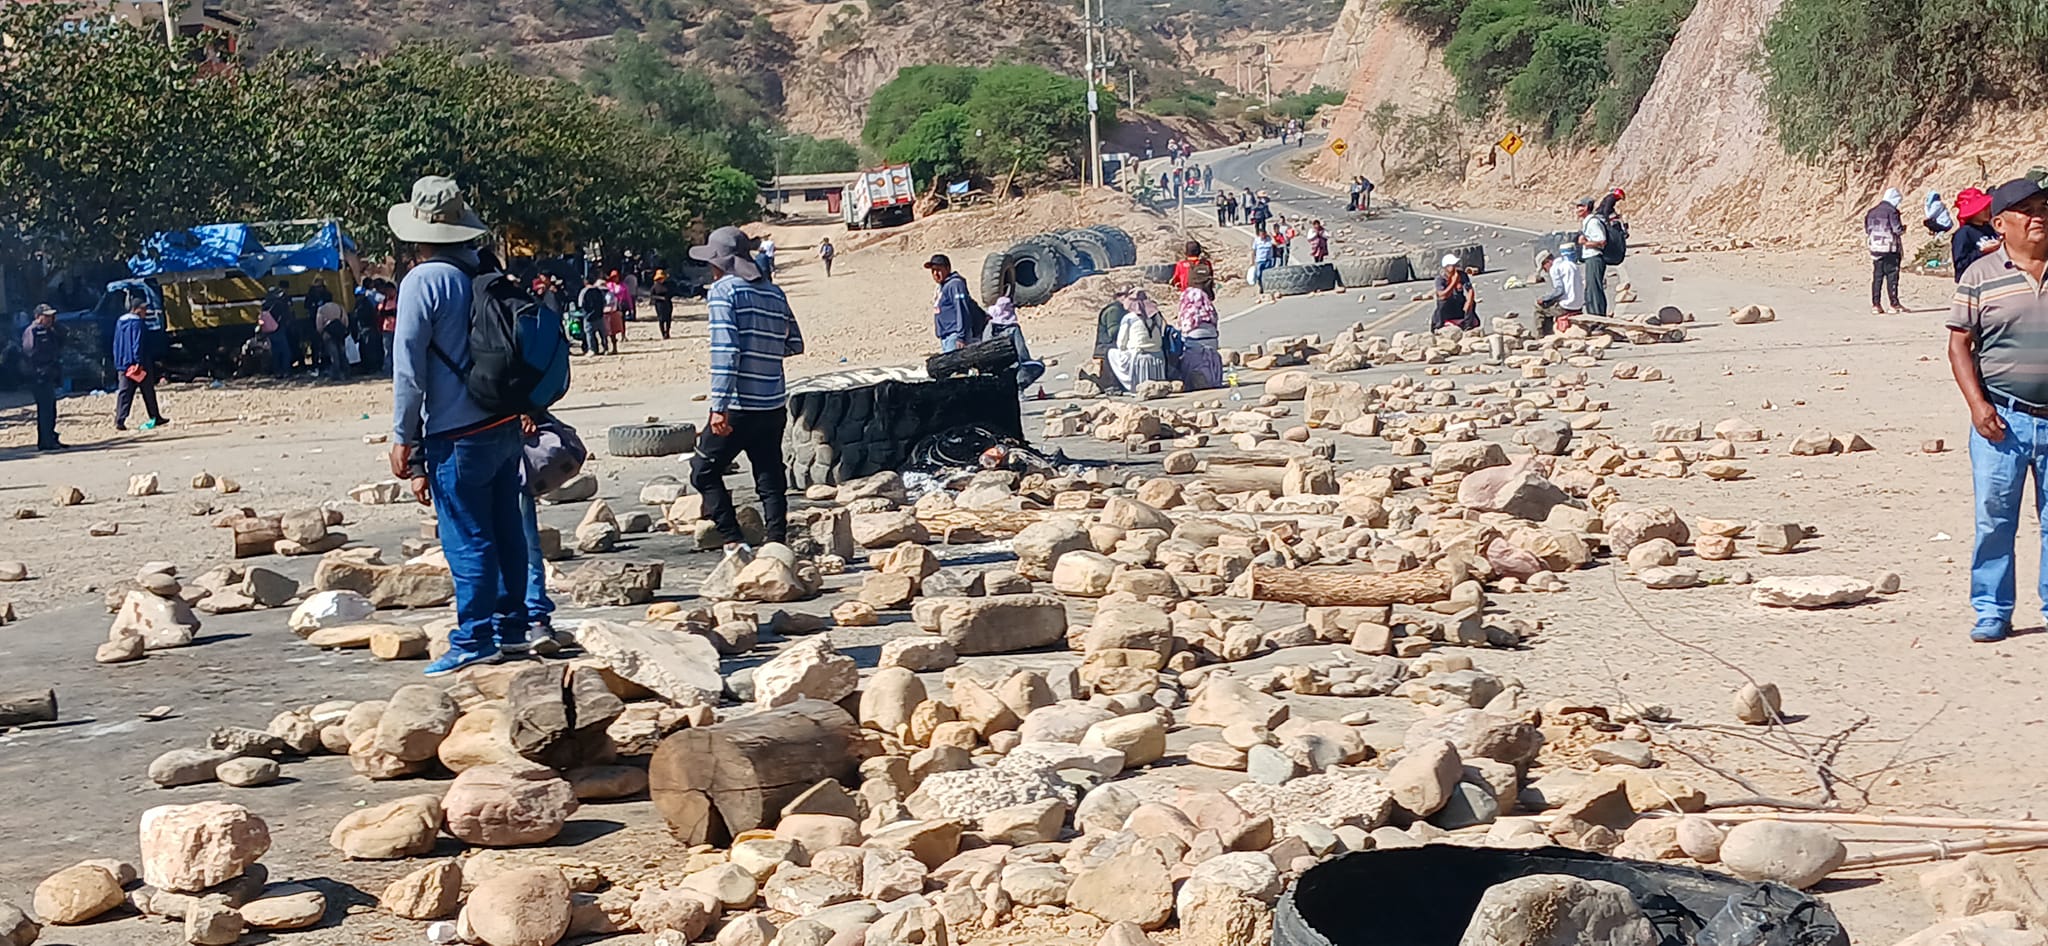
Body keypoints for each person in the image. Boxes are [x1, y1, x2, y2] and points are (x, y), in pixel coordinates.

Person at [386, 175, 531, 675]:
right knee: (507, 528)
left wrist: (403, 436)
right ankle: (515, 628)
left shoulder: (423, 281)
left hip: (456, 433)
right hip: (503, 423)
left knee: (467, 536)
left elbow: (408, 368)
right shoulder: (482, 270)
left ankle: (474, 637)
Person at [1946, 177, 2048, 643]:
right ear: (2000, 224)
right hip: (2002, 421)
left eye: (2043, 206)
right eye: (2025, 210)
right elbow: (1959, 345)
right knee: (1994, 519)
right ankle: (1992, 609)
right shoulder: (1979, 277)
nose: (2038, 216)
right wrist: (1977, 405)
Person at [691, 226, 805, 555]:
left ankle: (732, 540)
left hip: (739, 404)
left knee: (704, 471)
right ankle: (776, 543)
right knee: (769, 474)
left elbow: (726, 352)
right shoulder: (775, 293)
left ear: (719, 262)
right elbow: (794, 343)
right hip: (772, 402)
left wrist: (719, 406)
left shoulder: (723, 292)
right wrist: (764, 349)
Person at [113, 294, 168, 430]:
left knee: (125, 392)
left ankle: (120, 420)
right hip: (139, 364)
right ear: (136, 309)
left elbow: (116, 344)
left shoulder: (120, 323)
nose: (145, 312)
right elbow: (137, 343)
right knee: (148, 390)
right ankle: (155, 417)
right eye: (143, 309)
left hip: (123, 364)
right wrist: (138, 361)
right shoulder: (137, 323)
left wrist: (118, 362)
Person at [22, 304, 65, 450]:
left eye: (51, 316)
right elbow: (29, 352)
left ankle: (50, 438)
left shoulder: (50, 331)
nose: (50, 319)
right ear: (38, 317)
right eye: (46, 316)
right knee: (45, 410)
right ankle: (45, 441)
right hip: (38, 376)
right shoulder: (32, 331)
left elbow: (63, 339)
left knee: (51, 409)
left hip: (49, 374)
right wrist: (42, 366)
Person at [1108, 289, 1166, 391]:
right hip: (1158, 357)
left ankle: (1130, 386)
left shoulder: (1129, 318)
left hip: (1139, 357)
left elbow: (1121, 344)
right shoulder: (1157, 316)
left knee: (1112, 353)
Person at [927, 254, 987, 352]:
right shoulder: (942, 287)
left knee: (955, 367)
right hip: (946, 337)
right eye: (933, 271)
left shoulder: (955, 285)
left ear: (947, 268)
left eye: (939, 270)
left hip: (954, 336)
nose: (935, 273)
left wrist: (961, 337)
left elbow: (962, 309)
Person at [1865, 187, 1907, 314]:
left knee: (1877, 276)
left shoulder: (1871, 212)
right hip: (1890, 248)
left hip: (1875, 248)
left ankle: (1876, 304)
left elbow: (1867, 229)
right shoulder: (1892, 211)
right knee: (1892, 276)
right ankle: (1894, 304)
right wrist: (1903, 228)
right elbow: (1896, 229)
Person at [1175, 285, 1223, 390]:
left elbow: (1184, 331)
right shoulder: (1209, 310)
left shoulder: (1187, 311)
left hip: (1194, 345)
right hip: (1212, 342)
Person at [1952, 187, 2000, 284]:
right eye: (1983, 209)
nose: (1988, 211)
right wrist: (1982, 251)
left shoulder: (1989, 228)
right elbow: (1960, 265)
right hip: (1974, 282)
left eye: (1988, 207)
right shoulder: (1963, 234)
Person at [1534, 244, 1584, 336]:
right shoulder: (1571, 264)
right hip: (1579, 304)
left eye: (1544, 268)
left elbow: (1559, 291)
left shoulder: (1555, 268)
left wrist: (1545, 299)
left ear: (1547, 262)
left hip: (1567, 306)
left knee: (1539, 308)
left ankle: (1542, 335)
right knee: (1549, 305)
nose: (1546, 271)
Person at [1575, 197, 1611, 319]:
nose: (1577, 209)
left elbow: (1602, 241)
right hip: (1590, 258)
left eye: (1580, 207)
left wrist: (1585, 243)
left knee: (1595, 290)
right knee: (1590, 289)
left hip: (1595, 258)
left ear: (1586, 208)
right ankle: (1593, 317)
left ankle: (1598, 318)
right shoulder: (1587, 222)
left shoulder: (1593, 222)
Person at [1432, 255, 1478, 331]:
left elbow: (1469, 289)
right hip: (1448, 307)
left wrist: (1469, 302)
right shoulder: (1440, 279)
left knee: (1471, 302)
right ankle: (1439, 326)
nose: (1455, 267)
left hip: (1459, 304)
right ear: (1446, 267)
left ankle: (1467, 325)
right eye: (1452, 265)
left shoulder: (1462, 275)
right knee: (1442, 302)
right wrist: (1454, 282)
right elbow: (1442, 295)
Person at [259, 286, 293, 378]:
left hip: (269, 330)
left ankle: (277, 372)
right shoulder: (279, 303)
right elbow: (285, 316)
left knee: (275, 352)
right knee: (285, 351)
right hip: (279, 329)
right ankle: (285, 371)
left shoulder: (264, 304)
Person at [317, 297, 350, 381]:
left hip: (329, 335)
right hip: (340, 334)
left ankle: (336, 374)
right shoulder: (340, 307)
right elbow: (345, 320)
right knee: (342, 353)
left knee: (334, 355)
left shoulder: (321, 309)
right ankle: (346, 372)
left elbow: (319, 324)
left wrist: (322, 333)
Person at [576, 279, 611, 355]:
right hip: (599, 315)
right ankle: (606, 348)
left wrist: (585, 313)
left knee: (589, 334)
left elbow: (580, 304)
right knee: (602, 334)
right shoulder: (599, 291)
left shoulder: (584, 291)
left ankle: (592, 350)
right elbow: (604, 302)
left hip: (589, 317)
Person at [604, 270, 631, 343]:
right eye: (613, 277)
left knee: (622, 320)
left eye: (616, 277)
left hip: (621, 305)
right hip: (612, 306)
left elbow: (628, 296)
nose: (615, 279)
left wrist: (630, 306)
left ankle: (623, 335)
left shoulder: (623, 286)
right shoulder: (608, 285)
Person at [649, 268, 676, 340]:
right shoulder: (655, 287)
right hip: (659, 305)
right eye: (660, 278)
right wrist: (660, 298)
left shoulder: (668, 285)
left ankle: (667, 332)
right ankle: (663, 333)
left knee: (668, 319)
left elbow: (672, 292)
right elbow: (652, 296)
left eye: (662, 278)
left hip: (668, 304)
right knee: (661, 319)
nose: (661, 280)